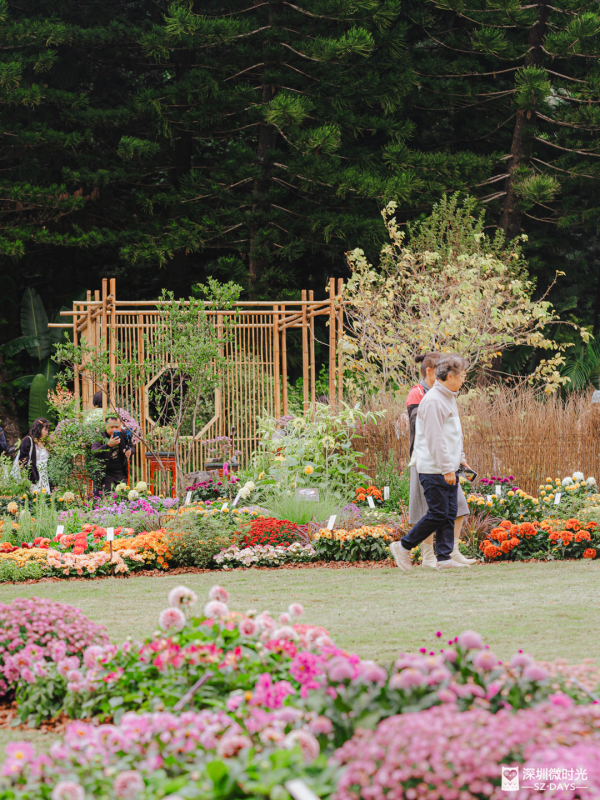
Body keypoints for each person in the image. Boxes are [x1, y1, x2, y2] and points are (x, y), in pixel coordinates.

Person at [391, 354, 472, 571]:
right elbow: (435, 438)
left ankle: (444, 558)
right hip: (434, 468)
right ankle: (403, 546)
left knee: (449, 511)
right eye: (462, 375)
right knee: (438, 513)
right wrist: (447, 467)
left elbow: (452, 435)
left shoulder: (448, 397)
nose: (464, 379)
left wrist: (460, 461)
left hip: (447, 467)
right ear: (449, 376)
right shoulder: (434, 400)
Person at [91, 414, 133, 493]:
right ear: (106, 426)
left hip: (120, 472)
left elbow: (131, 446)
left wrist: (130, 451)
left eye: (117, 427)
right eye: (111, 427)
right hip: (105, 473)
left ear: (120, 426)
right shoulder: (99, 435)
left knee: (123, 498)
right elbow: (94, 452)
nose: (114, 430)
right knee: (108, 498)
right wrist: (108, 445)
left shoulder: (124, 433)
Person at [13, 418, 51, 493]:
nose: (47, 432)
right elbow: (23, 460)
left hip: (45, 476)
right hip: (33, 476)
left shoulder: (46, 443)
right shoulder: (28, 441)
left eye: (47, 430)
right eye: (45, 430)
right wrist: (25, 476)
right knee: (34, 498)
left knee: (45, 499)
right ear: (38, 429)